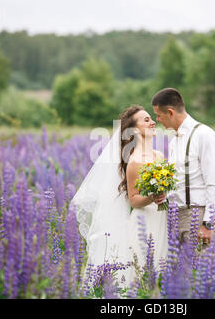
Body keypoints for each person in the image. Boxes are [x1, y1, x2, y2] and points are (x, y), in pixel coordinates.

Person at [72, 105, 168, 290]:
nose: (153, 122)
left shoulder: (159, 155)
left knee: (161, 272)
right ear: (134, 130)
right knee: (141, 275)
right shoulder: (134, 161)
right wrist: (151, 197)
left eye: (151, 118)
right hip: (145, 222)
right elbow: (133, 199)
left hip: (161, 218)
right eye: (146, 120)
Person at [152, 87, 215, 247]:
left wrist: (208, 223)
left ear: (170, 112)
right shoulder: (174, 141)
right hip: (174, 216)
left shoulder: (204, 135)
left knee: (199, 268)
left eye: (158, 115)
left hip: (197, 215)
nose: (157, 120)